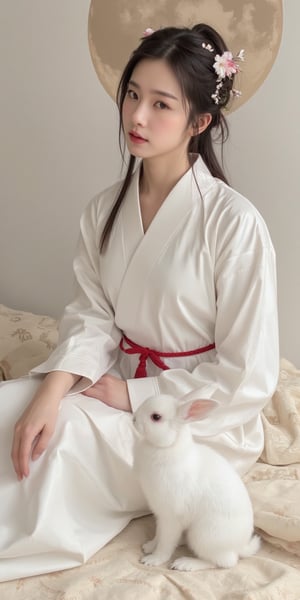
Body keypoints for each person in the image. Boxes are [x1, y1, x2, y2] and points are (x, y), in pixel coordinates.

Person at [0, 23, 279, 581]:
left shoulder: (235, 224)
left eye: (161, 104)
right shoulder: (104, 210)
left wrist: (134, 393)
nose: (137, 117)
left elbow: (248, 376)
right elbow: (92, 314)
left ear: (199, 122)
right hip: (111, 379)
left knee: (59, 446)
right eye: (132, 94)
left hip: (195, 423)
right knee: (13, 411)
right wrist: (50, 390)